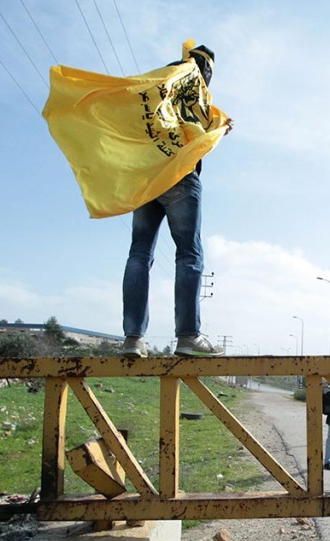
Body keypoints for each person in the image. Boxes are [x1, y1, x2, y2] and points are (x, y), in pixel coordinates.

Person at [121, 43, 232, 358]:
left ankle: (133, 339)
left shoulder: (159, 84)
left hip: (148, 177)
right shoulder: (198, 93)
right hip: (180, 177)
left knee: (139, 254)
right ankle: (187, 337)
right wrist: (219, 129)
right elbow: (196, 137)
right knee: (188, 255)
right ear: (206, 70)